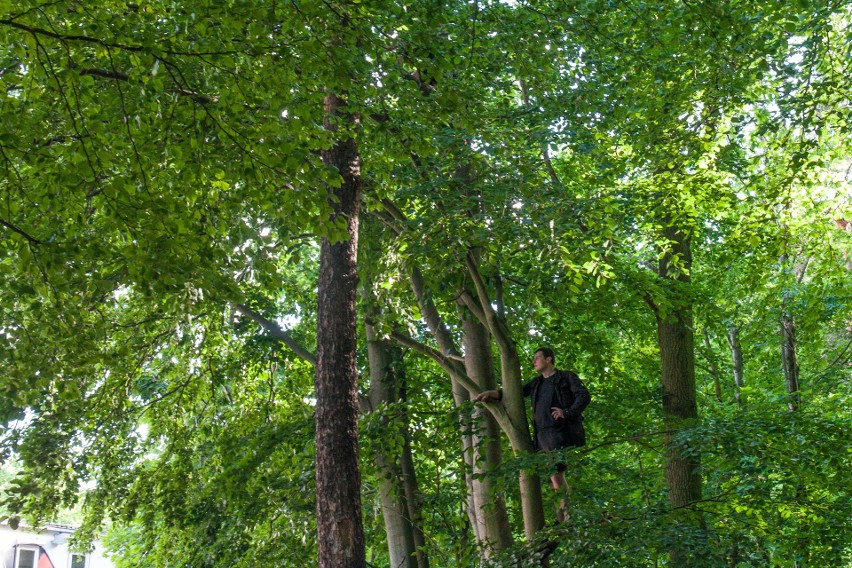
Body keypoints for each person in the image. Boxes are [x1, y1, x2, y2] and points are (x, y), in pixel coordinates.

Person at [474, 347, 590, 523]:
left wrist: (567, 412)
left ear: (549, 359)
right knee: (553, 480)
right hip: (541, 437)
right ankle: (561, 517)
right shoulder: (536, 383)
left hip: (558, 434)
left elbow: (584, 396)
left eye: (537, 358)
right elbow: (515, 393)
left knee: (557, 477)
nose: (534, 361)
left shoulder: (565, 377)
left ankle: (567, 518)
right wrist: (494, 393)